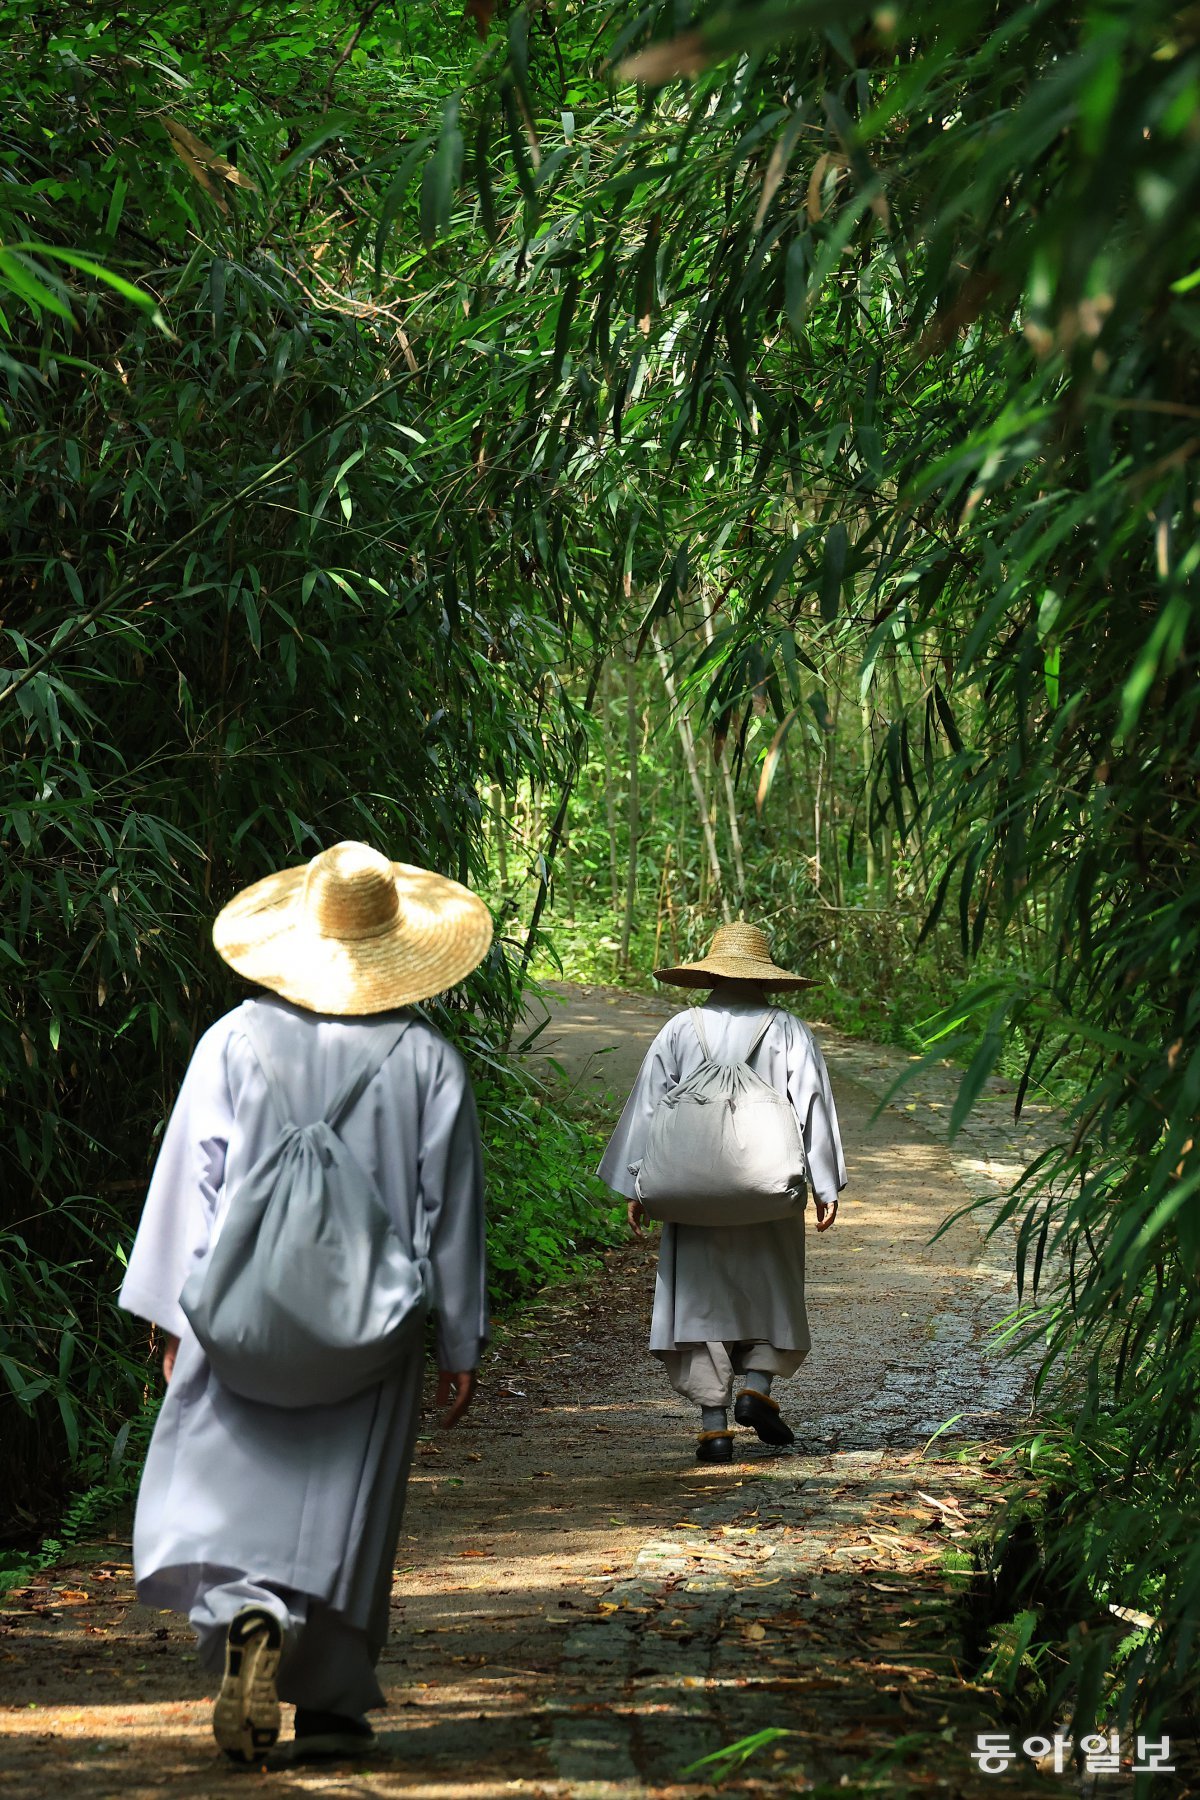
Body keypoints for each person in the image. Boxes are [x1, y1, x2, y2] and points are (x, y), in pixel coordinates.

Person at [118, 840, 492, 1764]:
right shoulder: (426, 1061)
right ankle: (329, 1705)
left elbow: (188, 1186)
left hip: (240, 1312)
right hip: (371, 1326)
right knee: (346, 1504)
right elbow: (451, 1210)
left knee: (232, 1479)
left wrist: (173, 1313)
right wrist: (459, 1339)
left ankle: (248, 1611)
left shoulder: (231, 1041)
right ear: (393, 949)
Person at [597, 921, 846, 1464]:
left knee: (699, 1301)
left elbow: (649, 1109)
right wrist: (824, 1184)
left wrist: (637, 1183)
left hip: (689, 1192)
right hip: (767, 1191)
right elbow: (812, 1109)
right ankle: (756, 1386)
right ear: (766, 978)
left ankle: (713, 1429)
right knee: (771, 1289)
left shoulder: (679, 1030)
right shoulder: (788, 1031)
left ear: (709, 973)